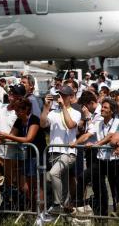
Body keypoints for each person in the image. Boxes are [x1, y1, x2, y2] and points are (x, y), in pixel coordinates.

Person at [0, 97, 45, 211]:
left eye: (18, 110)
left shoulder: (34, 119)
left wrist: (8, 136)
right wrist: (0, 138)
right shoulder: (19, 121)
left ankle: (39, 212)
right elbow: (11, 137)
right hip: (28, 155)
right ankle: (32, 209)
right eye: (15, 110)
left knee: (37, 186)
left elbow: (29, 138)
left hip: (37, 155)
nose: (16, 112)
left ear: (25, 109)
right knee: (26, 186)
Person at [40, 85, 81, 213]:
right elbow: (42, 124)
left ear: (71, 97)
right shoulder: (53, 113)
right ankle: (65, 209)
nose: (61, 97)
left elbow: (70, 125)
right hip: (54, 151)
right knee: (61, 182)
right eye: (59, 95)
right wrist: (46, 107)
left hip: (68, 152)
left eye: (64, 95)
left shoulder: (76, 112)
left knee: (52, 174)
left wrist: (63, 106)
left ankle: (57, 204)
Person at [86, 98, 119, 216]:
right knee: (98, 186)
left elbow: (110, 137)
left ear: (112, 111)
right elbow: (90, 133)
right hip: (101, 159)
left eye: (105, 107)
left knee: (115, 188)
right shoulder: (99, 122)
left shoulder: (117, 122)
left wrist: (96, 144)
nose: (102, 109)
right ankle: (102, 212)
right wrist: (77, 143)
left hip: (114, 160)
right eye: (102, 107)